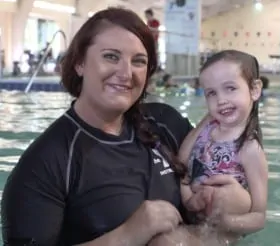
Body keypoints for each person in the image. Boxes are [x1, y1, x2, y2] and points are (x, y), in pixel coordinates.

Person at [1, 9, 249, 246]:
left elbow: (230, 216)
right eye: (111, 56)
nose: (126, 72)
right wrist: (126, 236)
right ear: (79, 63)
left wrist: (235, 206)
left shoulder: (167, 125)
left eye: (139, 61)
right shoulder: (46, 163)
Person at [178, 50, 268, 236]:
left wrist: (222, 222)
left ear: (254, 89)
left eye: (230, 88)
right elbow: (181, 164)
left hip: (222, 235)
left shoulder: (250, 149)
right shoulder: (205, 130)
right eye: (211, 93)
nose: (220, 100)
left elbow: (259, 217)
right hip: (192, 217)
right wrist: (189, 202)